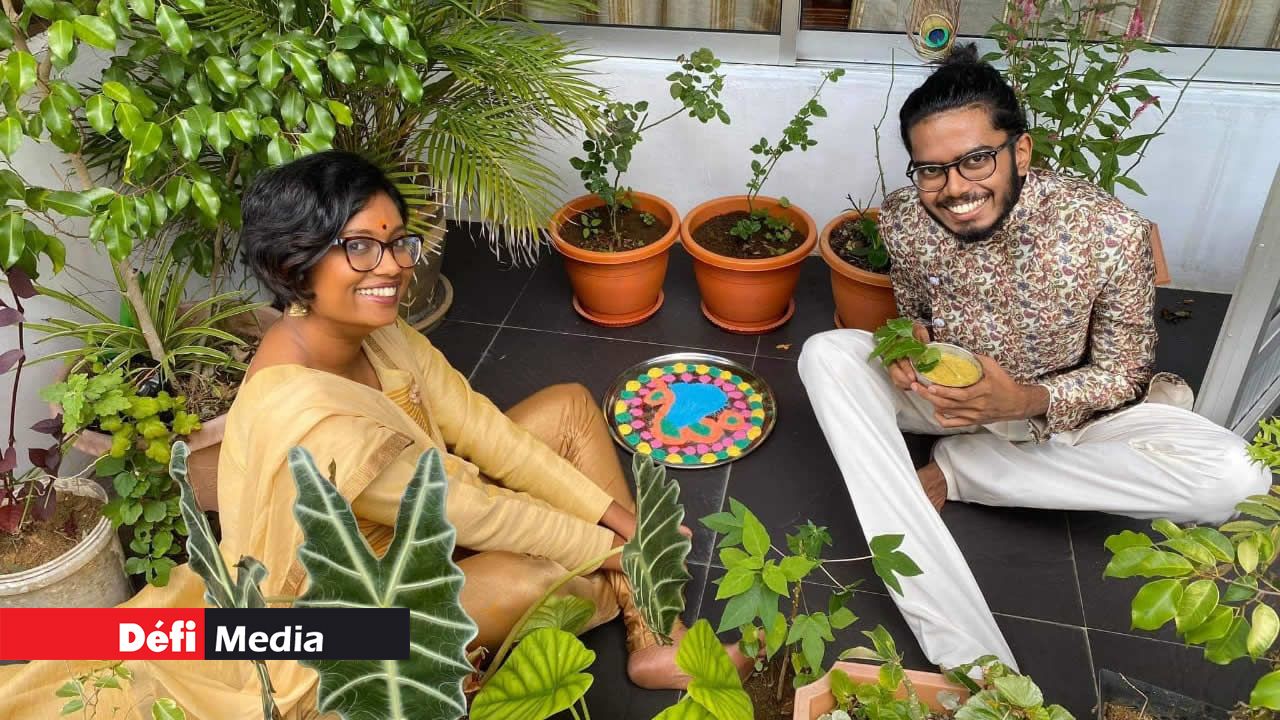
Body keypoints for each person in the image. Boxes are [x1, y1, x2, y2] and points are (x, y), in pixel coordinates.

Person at [0, 151, 743, 719]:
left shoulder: (374, 332)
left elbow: (479, 427)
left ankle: (653, 640)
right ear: (294, 266)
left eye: (395, 243)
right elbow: (480, 511)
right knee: (542, 575)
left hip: (431, 526)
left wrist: (614, 518)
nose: (390, 268)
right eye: (359, 248)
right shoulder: (313, 420)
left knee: (572, 409)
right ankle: (479, 655)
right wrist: (620, 545)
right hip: (341, 621)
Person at [798, 44, 1270, 671]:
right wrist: (904, 352)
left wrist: (1024, 401)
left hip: (1063, 410)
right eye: (932, 169)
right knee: (826, 354)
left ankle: (967, 473)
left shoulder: (1108, 232)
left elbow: (1123, 371)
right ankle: (972, 657)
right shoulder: (906, 219)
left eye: (974, 160)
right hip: (946, 399)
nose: (955, 188)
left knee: (1239, 479)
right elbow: (913, 313)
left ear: (1019, 151)